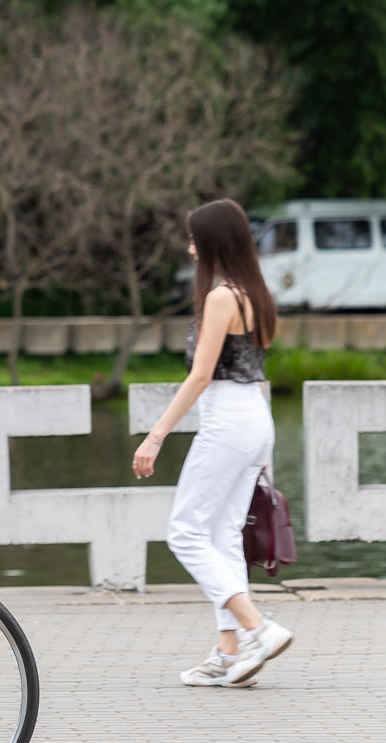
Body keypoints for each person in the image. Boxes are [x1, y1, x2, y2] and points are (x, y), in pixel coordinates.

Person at [132, 198, 294, 688]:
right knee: (222, 537)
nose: (188, 247)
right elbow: (258, 375)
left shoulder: (222, 298)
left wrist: (155, 436)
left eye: (194, 238)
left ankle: (258, 628)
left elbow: (201, 376)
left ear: (213, 243)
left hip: (227, 421)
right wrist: (266, 452)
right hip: (254, 420)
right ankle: (228, 655)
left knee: (184, 532)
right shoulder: (256, 296)